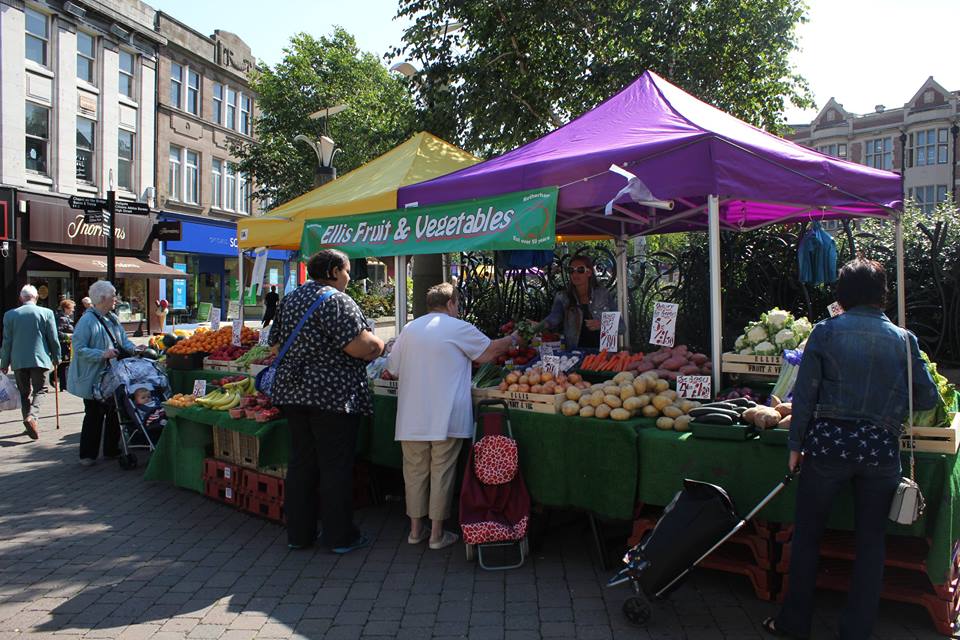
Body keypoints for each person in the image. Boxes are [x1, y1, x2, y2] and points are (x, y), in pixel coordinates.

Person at [763, 259, 939, 640]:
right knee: (871, 542)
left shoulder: (825, 333)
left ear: (842, 294)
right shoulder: (904, 339)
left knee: (808, 534)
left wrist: (795, 445)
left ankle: (793, 623)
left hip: (827, 446)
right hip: (879, 450)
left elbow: (804, 396)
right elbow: (927, 396)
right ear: (882, 294)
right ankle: (856, 631)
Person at [269, 249, 384, 553]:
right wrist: (380, 343)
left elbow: (277, 344)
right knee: (335, 466)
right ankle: (340, 536)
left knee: (301, 463)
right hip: (332, 396)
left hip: (292, 392)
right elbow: (361, 347)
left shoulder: (291, 298)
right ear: (334, 270)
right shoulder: (336, 300)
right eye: (347, 271)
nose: (349, 277)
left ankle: (299, 534)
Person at [388, 283, 515, 550]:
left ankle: (414, 531)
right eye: (457, 304)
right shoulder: (458, 327)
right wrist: (514, 339)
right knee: (441, 472)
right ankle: (436, 535)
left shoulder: (410, 328)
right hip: (446, 414)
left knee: (414, 473)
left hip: (412, 416)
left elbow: (394, 369)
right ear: (450, 304)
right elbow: (489, 352)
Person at [68, 281, 137, 466]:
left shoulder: (112, 318)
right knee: (94, 413)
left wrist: (136, 349)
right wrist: (102, 354)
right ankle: (87, 455)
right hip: (93, 378)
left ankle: (111, 449)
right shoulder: (87, 321)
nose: (116, 299)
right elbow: (79, 348)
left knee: (115, 411)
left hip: (113, 375)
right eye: (113, 295)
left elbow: (123, 341)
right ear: (102, 298)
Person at [0, 285, 61, 440]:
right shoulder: (46, 313)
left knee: (24, 393)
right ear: (36, 297)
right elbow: (53, 338)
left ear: (21, 298)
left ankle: (28, 422)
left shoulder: (10, 315)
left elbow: (7, 341)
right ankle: (32, 417)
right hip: (40, 359)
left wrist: (4, 362)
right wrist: (56, 356)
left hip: (18, 360)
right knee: (41, 390)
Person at [542, 255, 619, 349]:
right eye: (571, 270)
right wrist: (536, 327)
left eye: (580, 270)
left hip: (604, 355)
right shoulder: (563, 297)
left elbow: (621, 326)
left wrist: (602, 324)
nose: (575, 274)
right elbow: (553, 318)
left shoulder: (603, 294)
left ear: (589, 272)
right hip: (575, 354)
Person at [53, 299, 76, 390]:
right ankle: (62, 384)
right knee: (64, 364)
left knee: (64, 365)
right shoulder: (62, 318)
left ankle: (62, 384)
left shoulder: (65, 317)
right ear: (66, 308)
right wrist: (69, 336)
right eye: (72, 308)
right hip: (63, 345)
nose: (73, 310)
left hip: (67, 344)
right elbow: (58, 333)